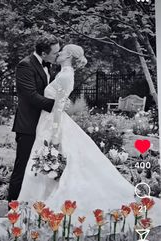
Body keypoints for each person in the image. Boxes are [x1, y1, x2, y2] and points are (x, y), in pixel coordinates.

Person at [18, 44, 161, 231]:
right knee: (51, 164)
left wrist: (54, 133)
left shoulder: (65, 75)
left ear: (68, 55)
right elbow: (59, 101)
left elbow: (59, 106)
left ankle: (50, 205)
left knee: (58, 161)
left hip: (53, 123)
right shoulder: (62, 73)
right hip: (47, 121)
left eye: (61, 51)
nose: (58, 54)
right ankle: (39, 204)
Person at [7, 34, 60, 203]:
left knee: (38, 169)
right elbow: (30, 95)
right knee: (21, 169)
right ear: (43, 54)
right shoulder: (25, 65)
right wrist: (57, 105)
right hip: (28, 126)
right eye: (55, 53)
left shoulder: (47, 65)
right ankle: (12, 210)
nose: (57, 56)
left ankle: (31, 207)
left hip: (43, 125)